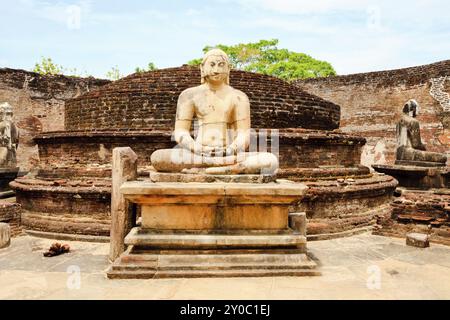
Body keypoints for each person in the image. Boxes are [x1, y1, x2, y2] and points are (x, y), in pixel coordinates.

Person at [151, 49, 278, 175]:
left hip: (228, 153)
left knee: (270, 160)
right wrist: (197, 148)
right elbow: (180, 132)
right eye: (212, 65)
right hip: (198, 153)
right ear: (202, 68)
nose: (216, 70)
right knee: (158, 157)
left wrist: (230, 149)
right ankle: (224, 168)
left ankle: (218, 169)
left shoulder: (239, 97)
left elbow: (243, 134)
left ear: (228, 69)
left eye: (221, 65)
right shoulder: (189, 95)